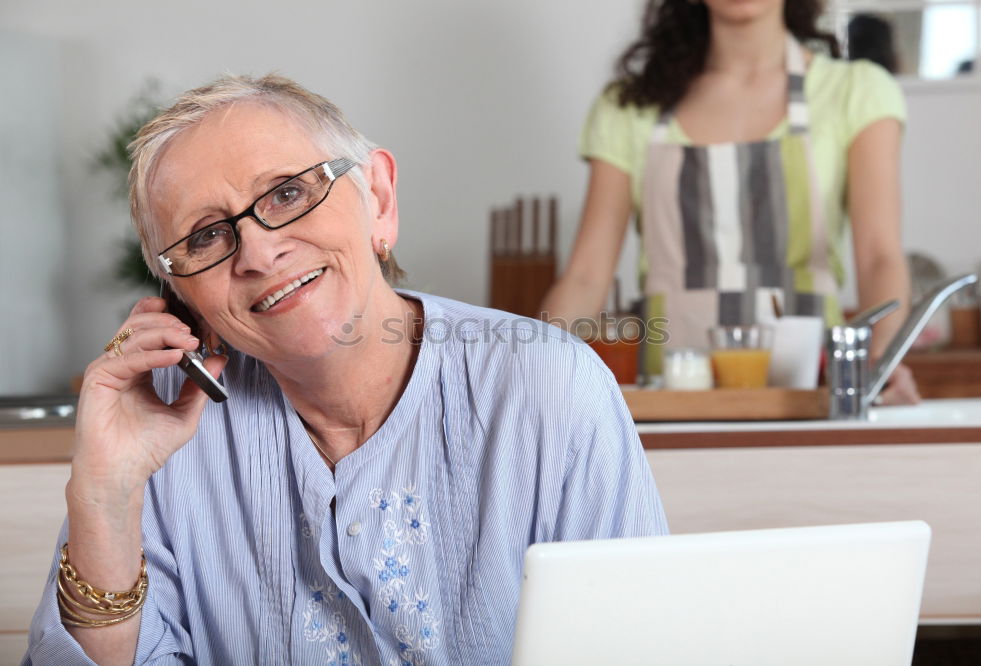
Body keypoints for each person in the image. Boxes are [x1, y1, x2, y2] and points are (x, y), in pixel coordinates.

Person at [23, 74, 667, 665]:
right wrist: (105, 494)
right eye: (205, 237)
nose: (259, 251)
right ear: (183, 294)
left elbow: (638, 644)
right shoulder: (161, 427)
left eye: (287, 193)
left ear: (379, 200)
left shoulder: (549, 385)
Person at [540, 0, 920, 404]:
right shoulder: (627, 106)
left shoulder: (856, 92)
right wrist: (536, 370)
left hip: (814, 394)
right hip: (670, 400)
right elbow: (585, 276)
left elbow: (879, 256)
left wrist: (882, 359)